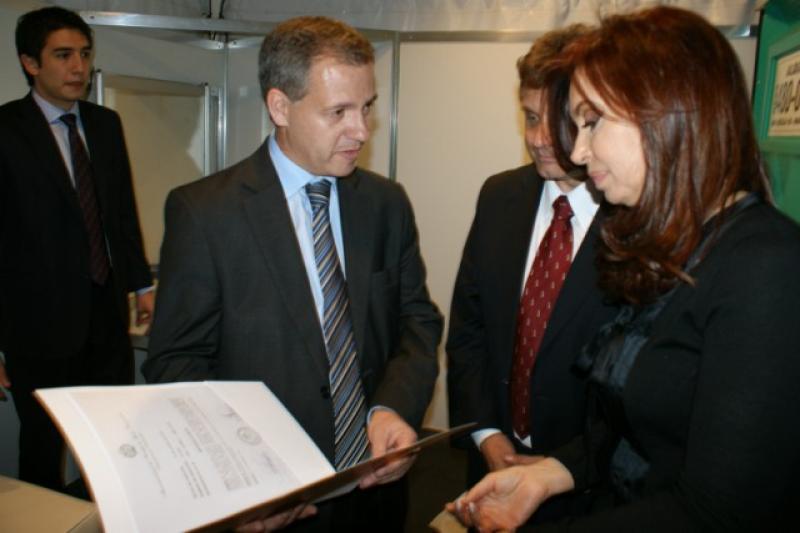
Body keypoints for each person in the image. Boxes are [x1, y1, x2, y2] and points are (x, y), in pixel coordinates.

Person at [448, 6, 800, 531]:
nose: (578, 148)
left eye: (591, 122)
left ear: (666, 114)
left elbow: (717, 511)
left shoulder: (767, 267)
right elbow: (637, 434)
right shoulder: (675, 243)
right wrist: (549, 474)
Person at [142, 16, 442, 533]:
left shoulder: (385, 203)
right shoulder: (206, 213)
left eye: (367, 107)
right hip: (270, 502)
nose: (362, 130)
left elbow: (417, 321)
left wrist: (393, 409)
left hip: (378, 492)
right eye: (339, 112)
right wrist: (240, 477)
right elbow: (176, 364)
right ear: (280, 107)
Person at [446, 24, 616, 523]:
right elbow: (469, 330)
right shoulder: (499, 196)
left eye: (556, 121)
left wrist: (565, 465)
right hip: (491, 471)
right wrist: (486, 435)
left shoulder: (636, 222)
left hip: (589, 491)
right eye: (530, 117)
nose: (539, 139)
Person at [0, 6, 153, 491]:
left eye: (85, 54)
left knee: (114, 443)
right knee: (44, 448)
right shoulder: (5, 130)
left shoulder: (105, 124)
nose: (79, 67)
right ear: (30, 63)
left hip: (106, 316)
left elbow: (121, 211)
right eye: (63, 55)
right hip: (36, 327)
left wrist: (141, 285)